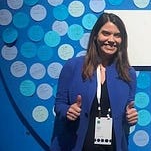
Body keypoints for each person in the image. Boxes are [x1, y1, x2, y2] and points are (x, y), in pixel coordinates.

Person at [50, 12, 138, 151]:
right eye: (106, 33)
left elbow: (127, 112)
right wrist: (67, 110)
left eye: (117, 35)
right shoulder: (73, 66)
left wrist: (130, 117)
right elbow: (59, 104)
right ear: (96, 36)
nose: (111, 39)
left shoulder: (128, 74)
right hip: (77, 146)